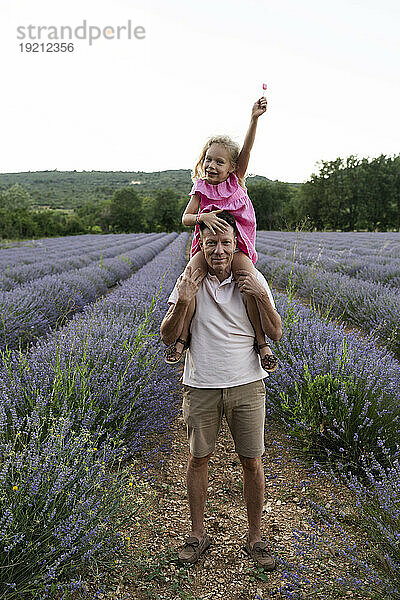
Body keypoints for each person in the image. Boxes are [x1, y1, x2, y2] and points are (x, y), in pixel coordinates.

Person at [160, 211, 282, 568]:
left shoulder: (253, 278)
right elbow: (167, 336)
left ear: (235, 244)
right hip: (201, 385)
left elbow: (275, 332)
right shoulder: (188, 280)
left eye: (225, 242)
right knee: (198, 460)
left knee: (252, 462)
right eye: (211, 242)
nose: (218, 250)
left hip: (247, 382)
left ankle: (255, 538)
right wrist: (183, 301)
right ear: (200, 244)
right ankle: (197, 535)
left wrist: (260, 295)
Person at [163, 96, 278, 373]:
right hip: (206, 248)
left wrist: (254, 119)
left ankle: (262, 344)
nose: (212, 166)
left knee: (249, 284)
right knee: (189, 284)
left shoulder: (236, 182)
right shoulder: (201, 188)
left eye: (219, 162)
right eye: (208, 159)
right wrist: (202, 216)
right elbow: (185, 218)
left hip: (235, 247)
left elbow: (247, 150)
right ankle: (181, 339)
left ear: (232, 167)